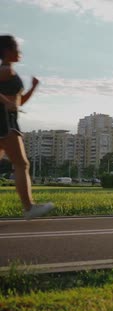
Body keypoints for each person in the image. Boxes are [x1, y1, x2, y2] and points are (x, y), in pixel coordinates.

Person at [0, 35, 54, 219]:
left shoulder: (9, 72)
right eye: (16, 48)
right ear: (7, 51)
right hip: (4, 123)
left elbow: (19, 102)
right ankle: (29, 208)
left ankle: (29, 208)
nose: (20, 52)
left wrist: (33, 88)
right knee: (22, 164)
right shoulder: (5, 70)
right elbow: (11, 102)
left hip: (8, 121)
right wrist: (5, 100)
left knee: (20, 164)